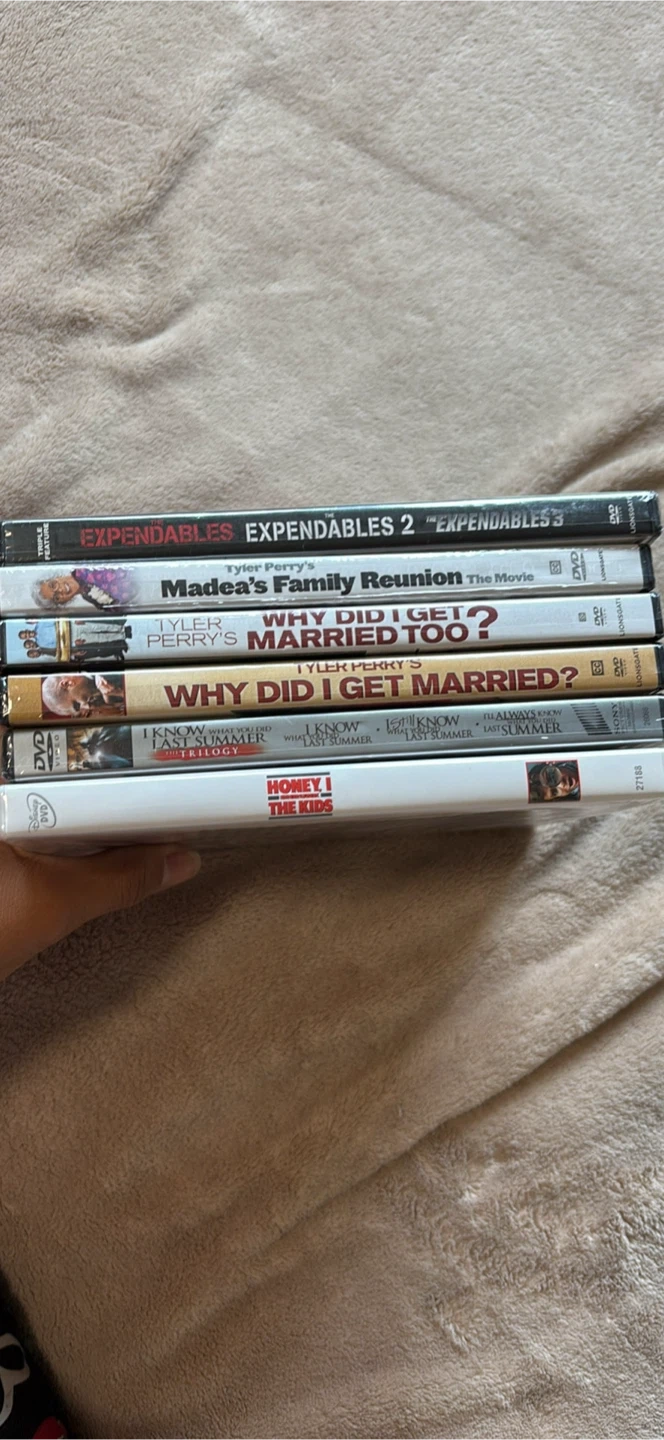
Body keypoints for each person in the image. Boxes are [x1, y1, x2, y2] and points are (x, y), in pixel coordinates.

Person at [33, 567, 136, 611]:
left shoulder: (83, 566)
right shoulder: (90, 598)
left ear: (56, 577)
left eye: (53, 585)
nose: (60, 590)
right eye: (57, 597)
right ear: (63, 602)